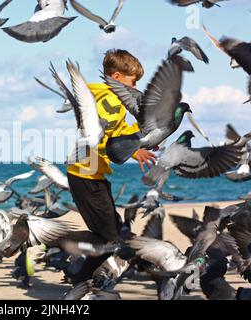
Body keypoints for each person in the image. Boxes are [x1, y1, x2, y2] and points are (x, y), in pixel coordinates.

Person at [66, 49, 157, 283]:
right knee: (111, 239)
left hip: (92, 176)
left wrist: (141, 144)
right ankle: (67, 258)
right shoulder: (109, 100)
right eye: (133, 81)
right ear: (117, 77)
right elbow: (104, 138)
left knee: (114, 232)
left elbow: (120, 132)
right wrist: (133, 149)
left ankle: (80, 273)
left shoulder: (113, 101)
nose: (135, 87)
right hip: (85, 175)